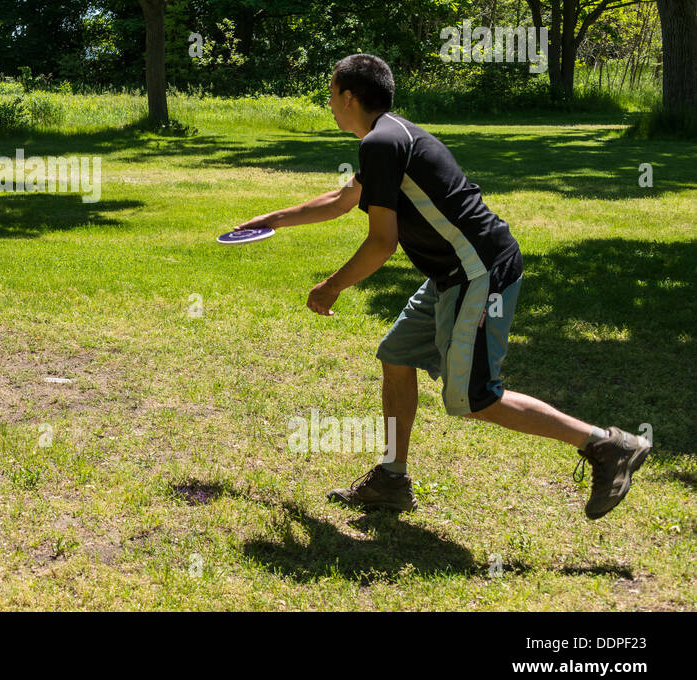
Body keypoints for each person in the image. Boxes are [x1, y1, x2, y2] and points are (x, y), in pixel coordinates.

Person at [238, 53, 650, 519]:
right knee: (396, 357)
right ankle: (392, 479)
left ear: (350, 97)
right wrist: (273, 219)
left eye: (332, 94)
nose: (330, 103)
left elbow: (381, 243)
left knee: (476, 400)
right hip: (454, 271)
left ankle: (607, 445)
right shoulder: (390, 136)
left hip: (478, 272)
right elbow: (341, 198)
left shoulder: (382, 142)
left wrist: (332, 286)